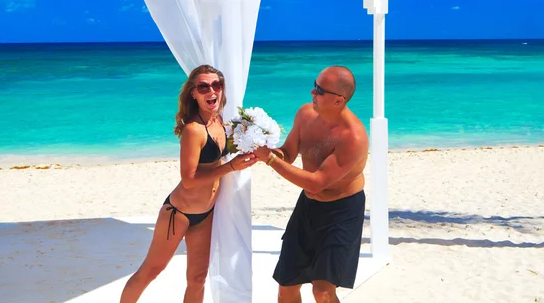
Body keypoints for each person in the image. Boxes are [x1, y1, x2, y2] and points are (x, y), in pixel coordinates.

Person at [120, 64, 257, 303]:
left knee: (197, 278)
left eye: (217, 85)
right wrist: (231, 167)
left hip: (205, 213)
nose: (211, 91)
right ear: (193, 93)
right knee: (151, 270)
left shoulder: (220, 121)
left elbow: (226, 152)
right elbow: (189, 179)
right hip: (179, 213)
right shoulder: (193, 130)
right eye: (203, 86)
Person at [254, 65, 369, 303]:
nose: (311, 92)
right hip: (308, 208)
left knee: (323, 291)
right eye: (314, 85)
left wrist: (271, 160)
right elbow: (287, 152)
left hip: (342, 212)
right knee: (287, 285)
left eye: (319, 90)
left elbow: (318, 183)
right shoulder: (305, 114)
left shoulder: (353, 136)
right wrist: (260, 147)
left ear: (338, 100)